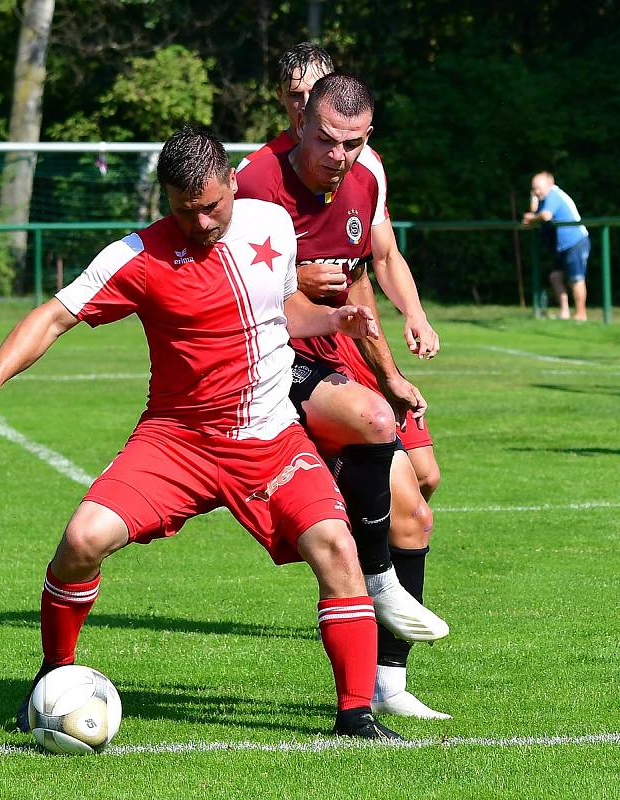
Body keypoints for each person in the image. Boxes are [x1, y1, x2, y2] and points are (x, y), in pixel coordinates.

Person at [0, 126, 403, 741]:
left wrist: (332, 317)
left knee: (336, 549)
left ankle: (356, 715)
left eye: (213, 206)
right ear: (165, 199)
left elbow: (277, 308)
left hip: (269, 438)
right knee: (82, 539)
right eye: (186, 211)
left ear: (231, 185)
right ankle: (53, 678)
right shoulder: (135, 256)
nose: (203, 222)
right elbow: (55, 316)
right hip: (177, 440)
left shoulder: (268, 224)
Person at [237, 70, 451, 720]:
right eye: (327, 139)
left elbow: (364, 272)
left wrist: (392, 355)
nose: (339, 155)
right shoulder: (254, 182)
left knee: (416, 507)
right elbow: (226, 289)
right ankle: (378, 581)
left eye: (352, 142)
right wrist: (289, 278)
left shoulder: (366, 177)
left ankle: (389, 684)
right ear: (299, 121)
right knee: (366, 429)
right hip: (267, 363)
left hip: (332, 353)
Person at [523, 171, 590, 321]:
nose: (537, 191)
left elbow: (545, 215)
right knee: (555, 277)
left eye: (539, 188)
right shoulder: (543, 198)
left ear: (550, 184)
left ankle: (581, 315)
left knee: (576, 279)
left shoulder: (553, 195)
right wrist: (534, 199)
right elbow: (535, 213)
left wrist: (532, 218)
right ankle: (565, 312)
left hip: (576, 242)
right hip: (562, 245)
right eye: (534, 189)